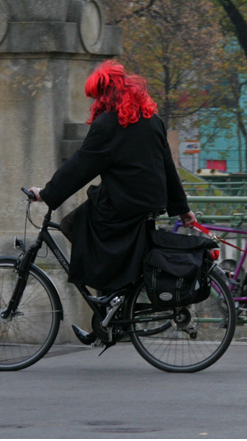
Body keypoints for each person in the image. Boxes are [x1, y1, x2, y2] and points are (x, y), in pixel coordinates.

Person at [29, 60, 196, 344]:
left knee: (73, 224)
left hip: (122, 204)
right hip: (148, 203)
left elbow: (81, 165)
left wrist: (47, 194)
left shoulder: (109, 123)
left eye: (96, 97)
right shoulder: (151, 119)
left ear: (105, 94)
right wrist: (183, 210)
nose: (95, 102)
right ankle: (114, 308)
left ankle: (111, 301)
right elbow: (168, 167)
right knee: (111, 246)